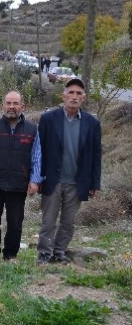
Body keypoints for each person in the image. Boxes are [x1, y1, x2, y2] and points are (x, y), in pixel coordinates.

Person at [36, 78, 102, 265]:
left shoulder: (92, 123)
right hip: (53, 179)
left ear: (84, 98)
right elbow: (39, 150)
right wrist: (38, 177)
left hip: (77, 181)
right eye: (71, 93)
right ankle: (44, 253)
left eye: (78, 93)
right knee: (48, 221)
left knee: (68, 222)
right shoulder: (49, 119)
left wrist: (94, 183)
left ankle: (59, 252)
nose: (74, 97)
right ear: (63, 96)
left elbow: (96, 155)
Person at [0, 91, 42, 261]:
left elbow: (37, 157)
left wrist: (35, 180)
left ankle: (11, 254)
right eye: (8, 103)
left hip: (18, 185)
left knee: (15, 223)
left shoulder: (32, 130)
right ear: (3, 106)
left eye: (15, 103)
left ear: (22, 106)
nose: (12, 107)